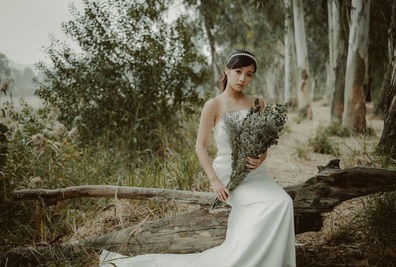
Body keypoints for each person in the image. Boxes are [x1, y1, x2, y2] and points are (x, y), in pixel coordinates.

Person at [99, 50, 296, 266]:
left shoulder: (258, 103)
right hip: (229, 175)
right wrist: (214, 180)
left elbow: (264, 141)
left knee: (283, 202)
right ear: (227, 71)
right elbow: (200, 147)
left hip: (255, 173)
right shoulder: (214, 105)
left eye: (249, 74)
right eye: (238, 71)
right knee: (266, 207)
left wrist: (262, 156)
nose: (242, 79)